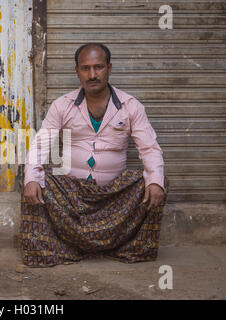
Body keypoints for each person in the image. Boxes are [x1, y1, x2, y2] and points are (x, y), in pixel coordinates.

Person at [20, 43, 167, 267]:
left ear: (109, 68)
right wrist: (31, 178)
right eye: (85, 68)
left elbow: (149, 149)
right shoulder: (62, 105)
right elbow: (40, 145)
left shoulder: (130, 106)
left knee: (156, 181)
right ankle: (54, 249)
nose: (92, 74)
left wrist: (155, 181)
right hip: (72, 194)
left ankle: (128, 248)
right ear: (77, 71)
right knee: (33, 179)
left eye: (98, 67)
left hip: (113, 195)